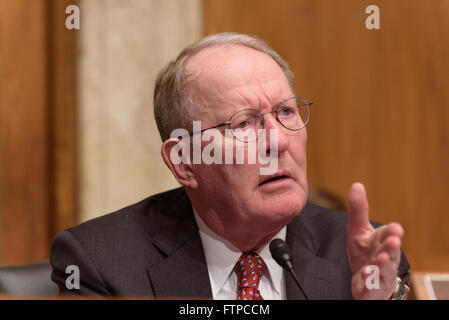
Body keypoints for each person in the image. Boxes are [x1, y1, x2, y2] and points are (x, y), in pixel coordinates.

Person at [50, 32, 410, 300]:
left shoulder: (361, 259)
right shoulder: (100, 264)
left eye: (285, 111)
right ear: (184, 162)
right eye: (243, 124)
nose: (279, 141)